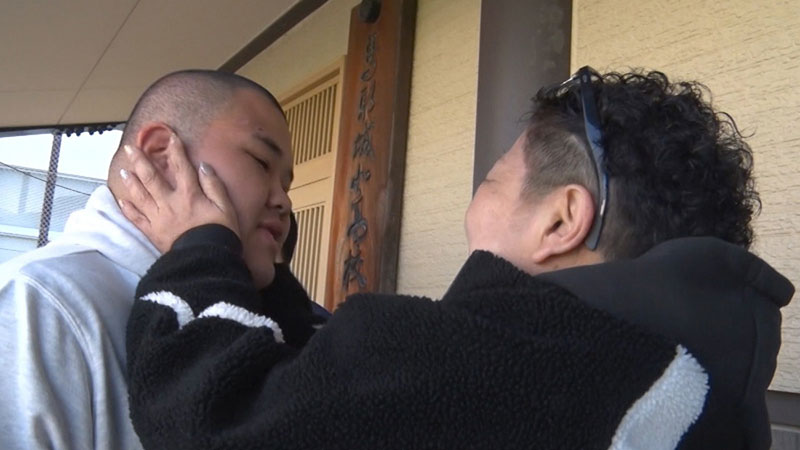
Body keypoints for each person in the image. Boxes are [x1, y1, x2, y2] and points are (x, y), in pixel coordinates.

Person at [122, 68, 794, 449]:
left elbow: (214, 419)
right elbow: (335, 394)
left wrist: (200, 247)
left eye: (493, 179)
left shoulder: (491, 363)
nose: (281, 199)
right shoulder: (702, 393)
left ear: (562, 220)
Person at [0, 69, 312, 449]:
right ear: (162, 155)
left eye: (287, 184)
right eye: (261, 162)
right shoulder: (39, 302)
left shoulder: (271, 310)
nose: (284, 201)